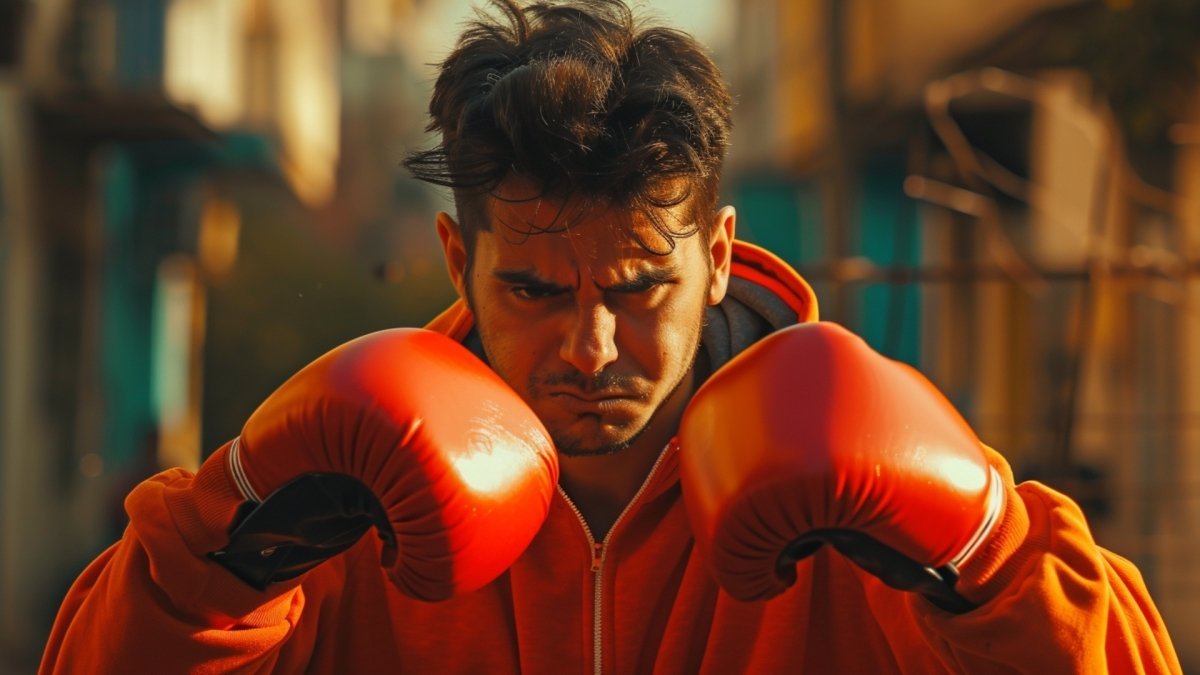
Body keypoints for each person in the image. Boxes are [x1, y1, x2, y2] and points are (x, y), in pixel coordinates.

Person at [41, 0, 1181, 672]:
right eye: (536, 289)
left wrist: (988, 556)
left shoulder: (854, 487)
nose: (591, 346)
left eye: (638, 288)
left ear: (721, 255)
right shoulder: (348, 493)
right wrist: (222, 551)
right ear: (457, 260)